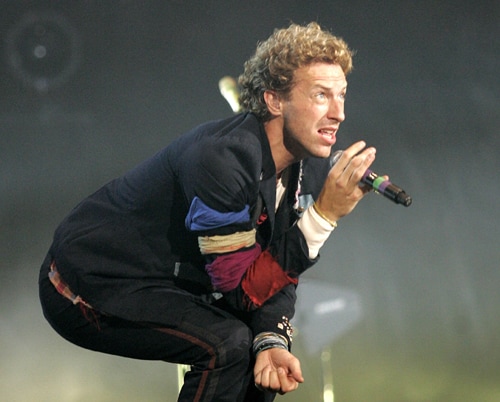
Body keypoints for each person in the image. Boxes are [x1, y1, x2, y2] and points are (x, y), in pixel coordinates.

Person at [39, 22, 378, 401]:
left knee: (264, 359)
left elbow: (279, 270)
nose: (339, 113)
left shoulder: (310, 165)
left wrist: (271, 339)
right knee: (227, 345)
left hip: (162, 279)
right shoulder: (223, 160)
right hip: (86, 282)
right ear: (274, 100)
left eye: (342, 95)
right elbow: (243, 292)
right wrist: (324, 215)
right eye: (321, 95)